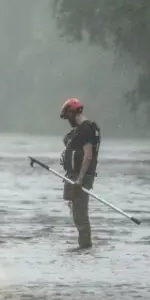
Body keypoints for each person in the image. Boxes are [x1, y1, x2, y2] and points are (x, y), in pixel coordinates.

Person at [59, 97, 101, 249]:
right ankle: (84, 247)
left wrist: (79, 180)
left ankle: (85, 249)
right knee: (77, 213)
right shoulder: (81, 130)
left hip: (80, 177)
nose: (67, 121)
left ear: (71, 113)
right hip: (75, 176)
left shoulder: (86, 130)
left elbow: (88, 156)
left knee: (81, 216)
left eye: (67, 117)